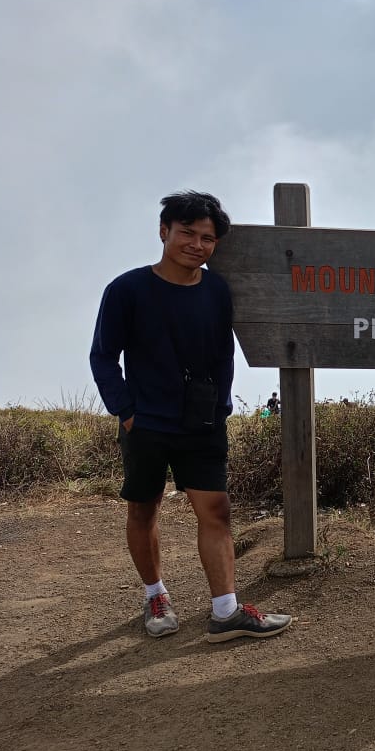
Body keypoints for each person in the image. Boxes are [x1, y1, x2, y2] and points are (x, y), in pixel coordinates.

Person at [90, 191, 293, 643]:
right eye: (187, 233)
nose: (197, 244)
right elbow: (103, 356)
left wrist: (220, 405)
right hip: (146, 422)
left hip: (202, 422)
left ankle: (226, 611)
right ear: (164, 232)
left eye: (207, 237)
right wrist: (125, 411)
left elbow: (223, 354)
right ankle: (155, 595)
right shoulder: (127, 289)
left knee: (216, 511)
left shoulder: (217, 291)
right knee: (144, 509)